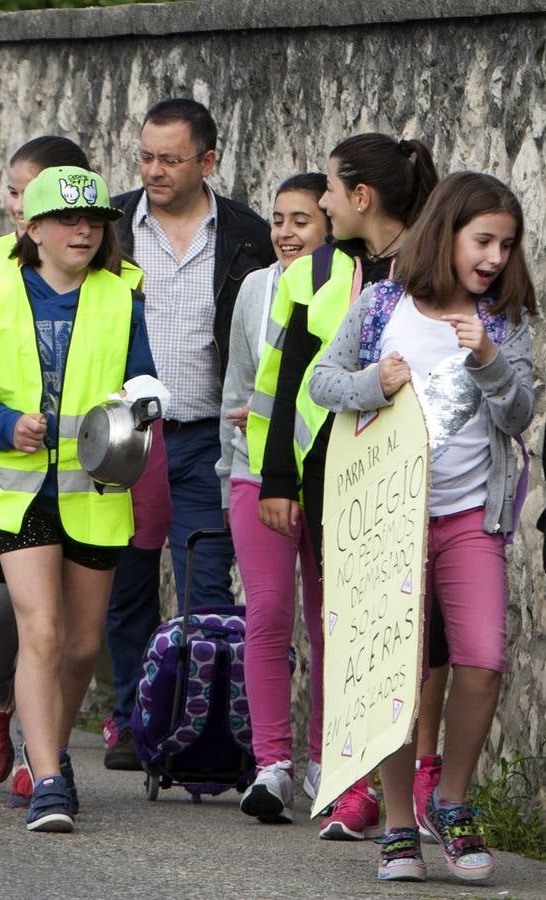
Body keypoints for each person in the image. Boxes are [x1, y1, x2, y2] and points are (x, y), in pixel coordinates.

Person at [309, 171, 536, 884]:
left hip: (471, 518)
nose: (495, 256)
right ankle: (399, 823)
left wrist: (489, 362)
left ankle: (454, 800)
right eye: (482, 240)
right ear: (445, 234)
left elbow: (518, 413)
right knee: (391, 675)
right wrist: (369, 382)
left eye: (506, 243)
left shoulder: (504, 321)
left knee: (483, 658)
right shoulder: (381, 305)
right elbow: (322, 380)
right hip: (386, 519)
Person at [0, 136, 152, 804]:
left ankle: (44, 748)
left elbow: (146, 382)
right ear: (31, 229)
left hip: (94, 493)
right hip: (20, 491)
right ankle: (51, 781)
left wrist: (143, 406)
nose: (84, 228)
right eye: (67, 219)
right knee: (42, 630)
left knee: (83, 644)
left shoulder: (122, 299)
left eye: (93, 219)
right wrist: (7, 426)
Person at [252, 133, 438, 838]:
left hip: (409, 474)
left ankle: (402, 780)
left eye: (327, 189)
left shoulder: (428, 266)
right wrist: (277, 479)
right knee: (354, 630)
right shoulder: (316, 274)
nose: (320, 201)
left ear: (360, 198)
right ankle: (357, 781)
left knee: (408, 635)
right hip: (332, 476)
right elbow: (289, 381)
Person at [103, 98, 274, 771]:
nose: (152, 171)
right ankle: (127, 718)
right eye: (145, 157)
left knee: (205, 585)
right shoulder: (109, 226)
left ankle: (196, 725)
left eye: (169, 159)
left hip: (206, 437)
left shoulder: (245, 236)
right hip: (127, 435)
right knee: (125, 585)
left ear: (206, 161)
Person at [217, 173, 330, 823]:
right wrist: (229, 464)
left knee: (325, 620)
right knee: (265, 613)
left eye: (300, 221)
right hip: (255, 474)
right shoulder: (255, 289)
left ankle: (326, 761)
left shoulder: (349, 291)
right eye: (278, 220)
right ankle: (272, 766)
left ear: (330, 228)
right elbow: (234, 387)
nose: (284, 234)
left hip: (328, 478)